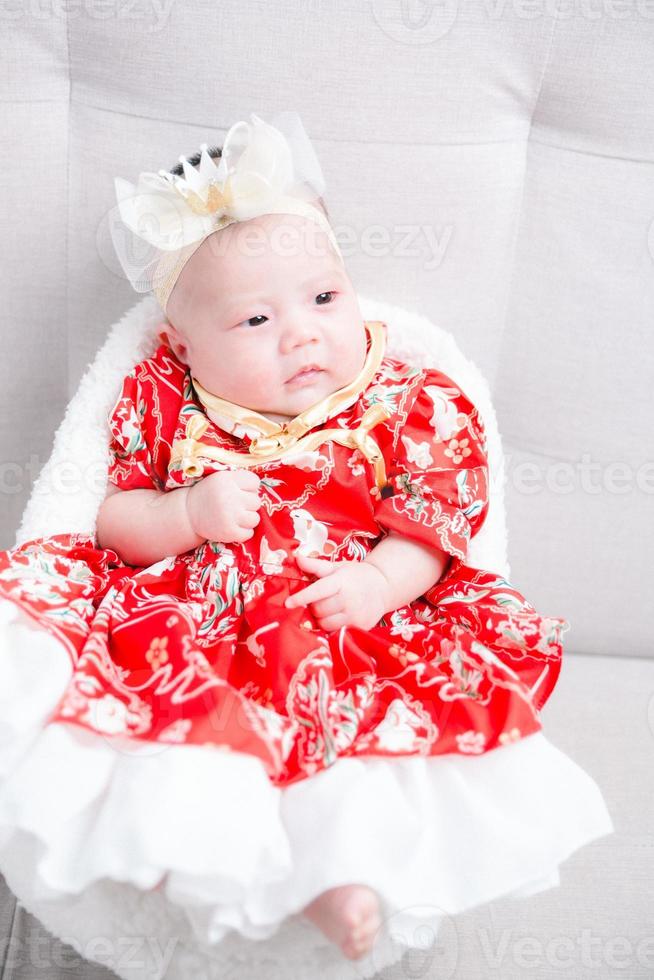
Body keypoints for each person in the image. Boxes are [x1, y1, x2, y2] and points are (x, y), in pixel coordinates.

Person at [0, 111, 613, 975]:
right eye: (254, 320)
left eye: (324, 298)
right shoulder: (166, 398)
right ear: (183, 344)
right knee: (182, 715)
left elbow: (436, 532)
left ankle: (341, 874)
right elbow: (110, 517)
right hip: (198, 613)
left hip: (343, 613)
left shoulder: (406, 395)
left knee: (350, 731)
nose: (301, 333)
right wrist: (187, 517)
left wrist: (376, 583)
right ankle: (180, 852)